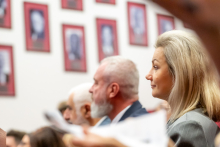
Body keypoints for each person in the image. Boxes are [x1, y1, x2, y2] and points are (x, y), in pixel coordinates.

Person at [68, 30, 220, 147]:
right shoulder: (181, 121)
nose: (148, 75)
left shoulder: (190, 125)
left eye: (155, 67)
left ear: (179, 73)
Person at [89, 56, 148, 125]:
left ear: (113, 90)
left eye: (96, 83)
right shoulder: (123, 122)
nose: (90, 90)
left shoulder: (135, 127)